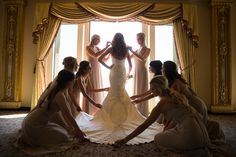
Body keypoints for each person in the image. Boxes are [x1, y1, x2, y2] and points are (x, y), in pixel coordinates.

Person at [75, 33, 163, 145]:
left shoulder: (111, 49)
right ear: (123, 40)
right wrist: (128, 73)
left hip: (114, 72)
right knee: (120, 92)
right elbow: (130, 65)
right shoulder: (126, 49)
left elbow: (100, 59)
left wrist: (109, 67)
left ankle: (112, 117)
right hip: (122, 72)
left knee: (113, 92)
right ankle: (123, 117)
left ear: (114, 40)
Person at [114, 76, 211, 155]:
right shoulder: (177, 95)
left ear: (158, 89)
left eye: (152, 89)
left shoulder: (162, 104)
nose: (151, 92)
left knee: (158, 138)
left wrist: (125, 139)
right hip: (202, 132)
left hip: (190, 134)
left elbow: (144, 125)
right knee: (167, 133)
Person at [17, 70, 87, 156]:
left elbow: (64, 116)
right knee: (64, 138)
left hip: (35, 121)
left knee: (64, 132)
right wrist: (78, 131)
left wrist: (72, 129)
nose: (73, 83)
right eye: (73, 81)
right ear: (68, 82)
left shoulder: (55, 90)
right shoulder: (60, 95)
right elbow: (68, 115)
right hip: (33, 124)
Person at [162, 60, 225, 143]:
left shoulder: (175, 84)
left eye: (163, 68)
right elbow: (192, 93)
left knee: (191, 125)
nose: (161, 70)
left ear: (167, 70)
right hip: (198, 102)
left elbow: (175, 103)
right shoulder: (177, 80)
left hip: (194, 105)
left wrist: (166, 127)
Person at [85, 35, 111, 114]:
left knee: (97, 86)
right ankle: (89, 109)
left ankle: (96, 110)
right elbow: (95, 55)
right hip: (91, 69)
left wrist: (110, 53)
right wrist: (106, 47)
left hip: (97, 69)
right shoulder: (88, 47)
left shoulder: (98, 48)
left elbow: (104, 59)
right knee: (91, 87)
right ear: (93, 39)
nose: (99, 41)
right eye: (98, 40)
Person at [128, 33, 151, 117]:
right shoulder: (137, 50)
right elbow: (128, 57)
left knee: (142, 89)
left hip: (142, 72)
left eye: (140, 38)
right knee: (136, 88)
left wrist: (132, 51)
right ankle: (136, 111)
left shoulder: (147, 49)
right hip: (136, 71)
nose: (139, 40)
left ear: (144, 38)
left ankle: (143, 112)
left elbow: (142, 58)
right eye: (137, 38)